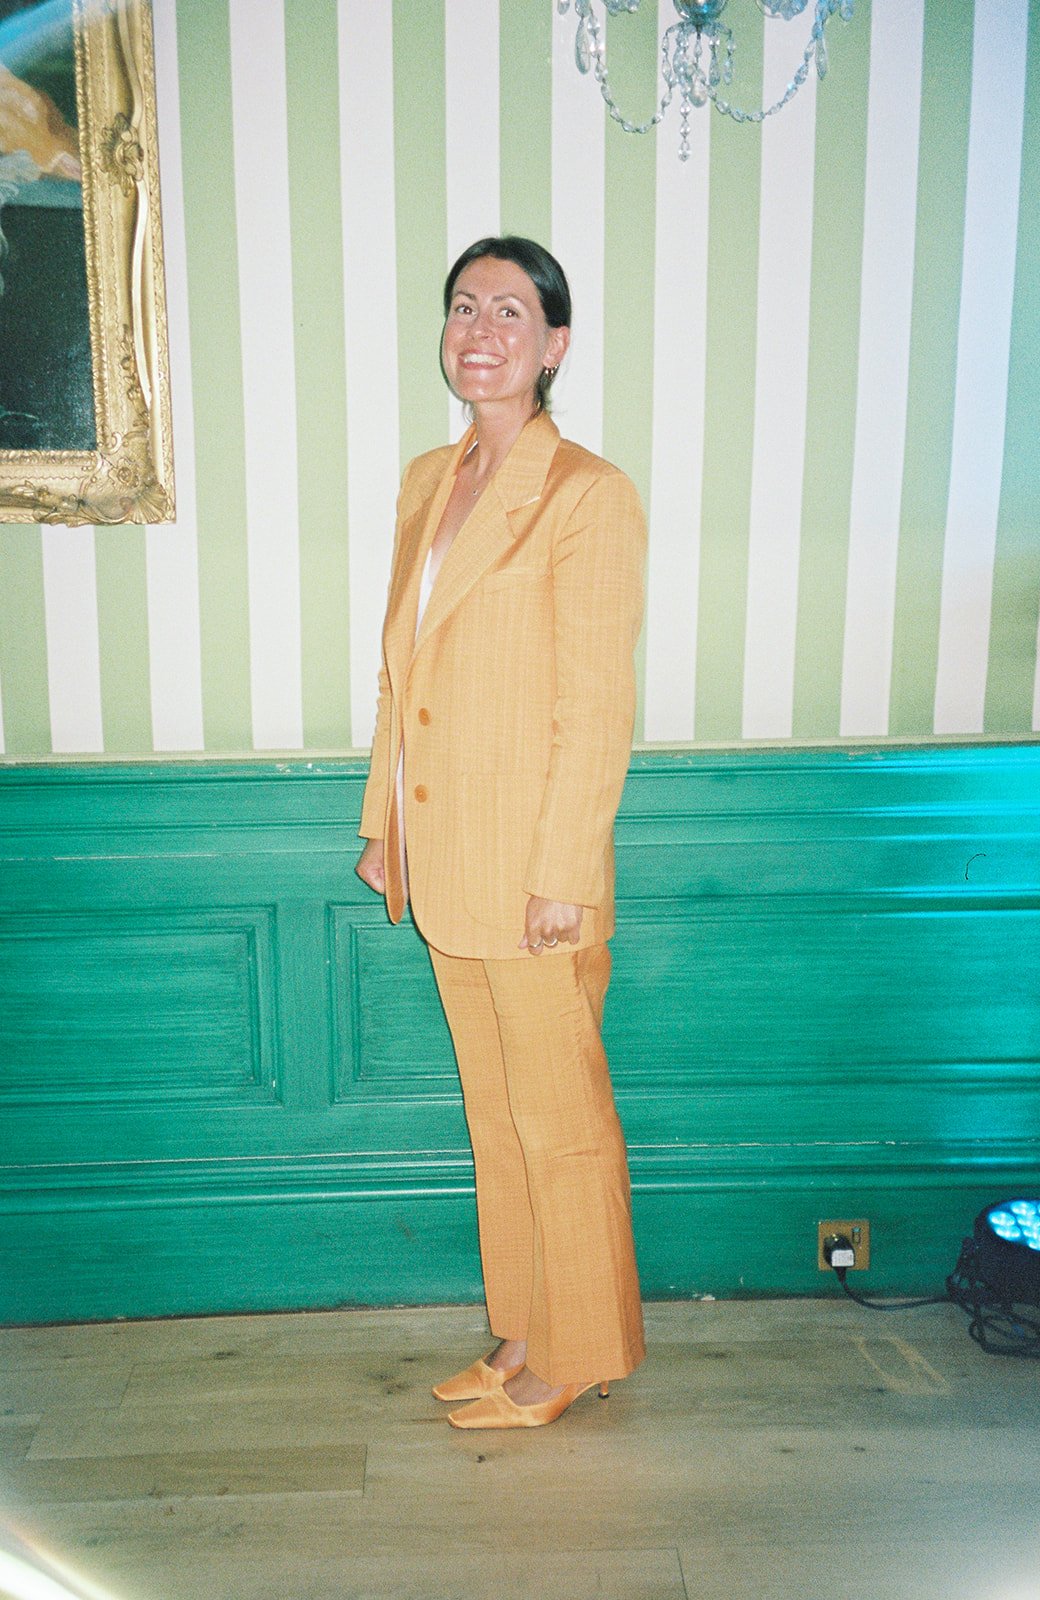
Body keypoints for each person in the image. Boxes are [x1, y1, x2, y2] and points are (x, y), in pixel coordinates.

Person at [355, 236, 646, 1430]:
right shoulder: (430, 479)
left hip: (534, 877)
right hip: (445, 860)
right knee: (498, 1121)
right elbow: (402, 674)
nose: (479, 330)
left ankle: (575, 1353)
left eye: (509, 312)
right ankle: (521, 1328)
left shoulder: (585, 495)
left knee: (559, 1126)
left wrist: (563, 875)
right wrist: (384, 825)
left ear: (553, 343)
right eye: (463, 307)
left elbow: (595, 708)